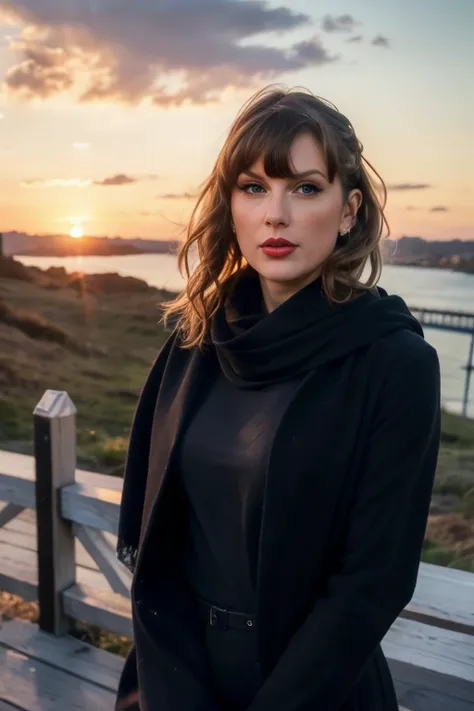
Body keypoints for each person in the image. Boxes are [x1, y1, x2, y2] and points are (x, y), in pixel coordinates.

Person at [114, 85, 441, 711]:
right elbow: (161, 550)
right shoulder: (196, 341)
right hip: (176, 680)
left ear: (348, 211)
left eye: (307, 188)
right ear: (231, 205)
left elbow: (373, 583)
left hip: (313, 693)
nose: (276, 215)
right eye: (254, 187)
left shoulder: (396, 365)